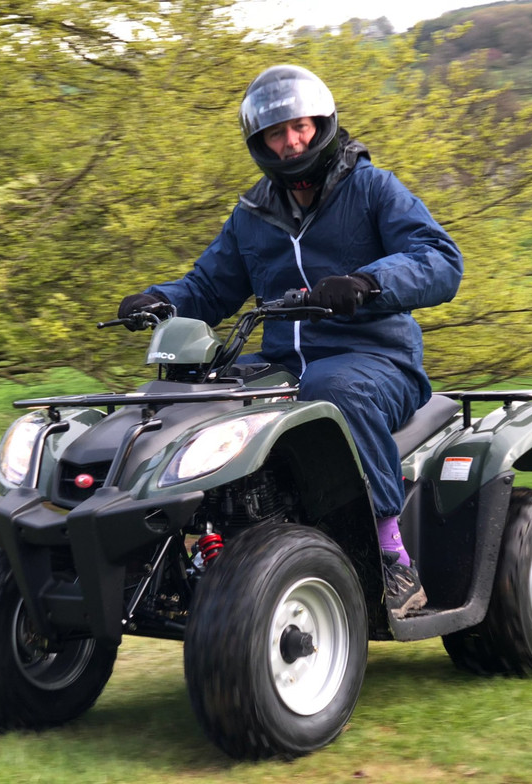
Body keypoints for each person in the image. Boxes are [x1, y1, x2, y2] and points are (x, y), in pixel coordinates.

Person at [117, 64, 462, 617]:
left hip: (378, 362)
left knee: (332, 389)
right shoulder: (252, 214)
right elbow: (209, 286)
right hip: (281, 364)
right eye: (275, 134)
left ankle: (393, 560)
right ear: (259, 143)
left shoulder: (372, 188)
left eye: (299, 126)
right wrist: (162, 301)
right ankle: (190, 553)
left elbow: (441, 261)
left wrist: (369, 283)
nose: (291, 142)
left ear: (322, 122)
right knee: (190, 399)